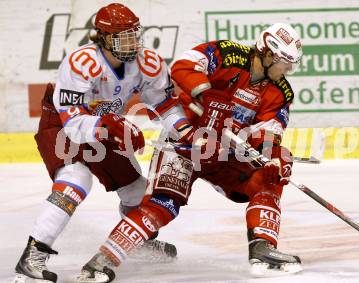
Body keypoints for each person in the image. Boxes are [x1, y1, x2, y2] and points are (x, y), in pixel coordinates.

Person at [78, 22, 303, 282]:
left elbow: (268, 133)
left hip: (223, 153)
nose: (288, 69)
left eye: (291, 64)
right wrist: (207, 95)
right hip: (184, 140)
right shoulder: (228, 54)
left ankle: (263, 248)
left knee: (269, 177)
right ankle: (101, 261)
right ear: (266, 53)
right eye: (284, 62)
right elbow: (183, 66)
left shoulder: (281, 92)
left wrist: (271, 156)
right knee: (164, 204)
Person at [13, 3, 192, 283]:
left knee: (137, 190)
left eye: (135, 35)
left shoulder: (148, 63)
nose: (132, 43)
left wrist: (185, 132)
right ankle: (33, 255)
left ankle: (139, 241)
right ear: (105, 38)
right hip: (61, 125)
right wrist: (110, 127)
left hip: (104, 126)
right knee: (76, 180)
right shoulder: (82, 63)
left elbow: (165, 104)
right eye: (124, 37)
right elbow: (73, 125)